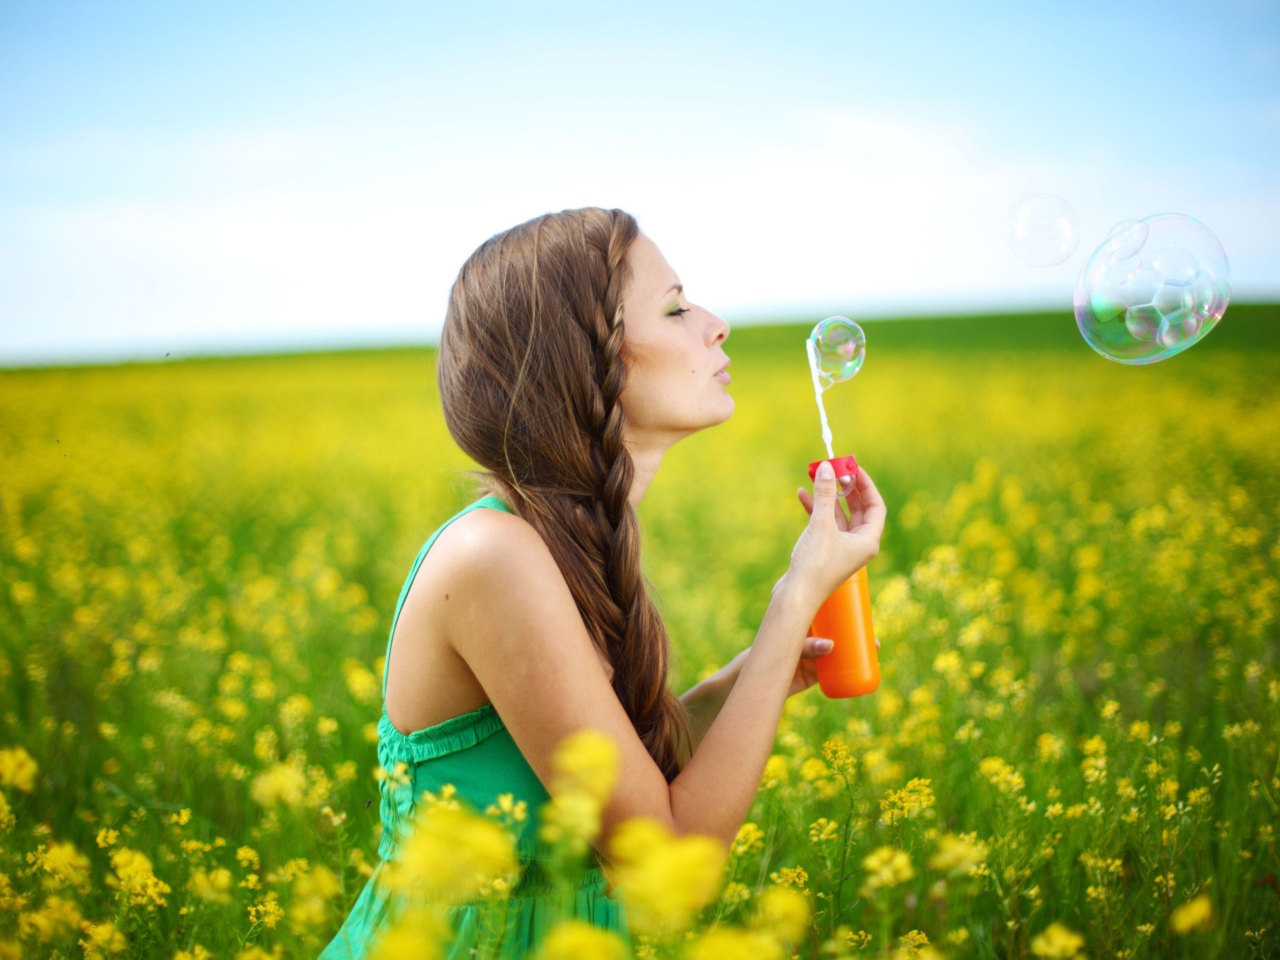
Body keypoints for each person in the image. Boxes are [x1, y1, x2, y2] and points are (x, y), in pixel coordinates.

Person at [320, 207, 886, 958]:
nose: (716, 324)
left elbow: (617, 784)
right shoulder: (496, 557)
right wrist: (793, 602)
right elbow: (666, 862)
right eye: (677, 307)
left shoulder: (561, 545)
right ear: (588, 359)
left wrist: (749, 681)